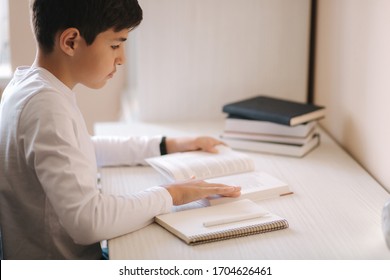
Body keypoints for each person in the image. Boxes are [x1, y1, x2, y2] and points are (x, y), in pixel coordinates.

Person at [0, 0, 241, 260]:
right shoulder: (46, 106)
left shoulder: (29, 86)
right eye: (115, 44)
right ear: (70, 41)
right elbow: (88, 222)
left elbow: (82, 147)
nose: (122, 58)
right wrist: (172, 194)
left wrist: (166, 144)